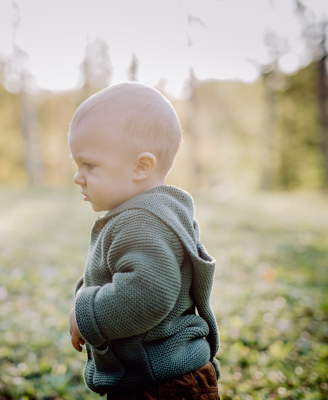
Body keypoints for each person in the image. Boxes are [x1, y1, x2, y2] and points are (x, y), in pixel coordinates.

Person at [67, 82, 220, 399]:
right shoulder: (149, 212)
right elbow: (113, 271)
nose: (77, 177)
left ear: (141, 167)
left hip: (161, 385)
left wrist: (87, 314)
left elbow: (148, 294)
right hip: (165, 377)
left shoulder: (141, 222)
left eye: (89, 165)